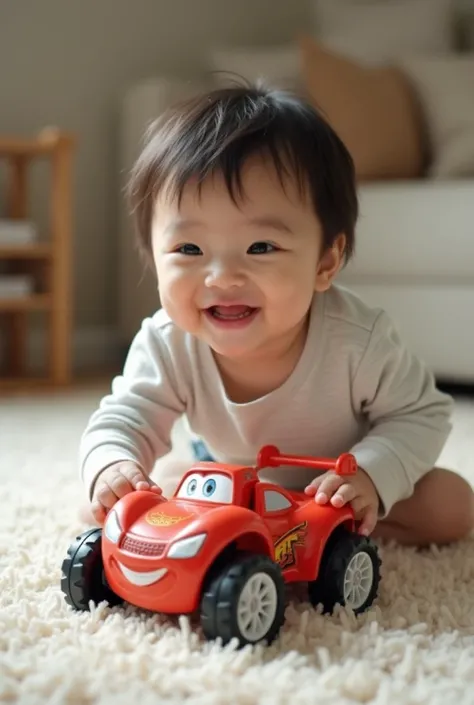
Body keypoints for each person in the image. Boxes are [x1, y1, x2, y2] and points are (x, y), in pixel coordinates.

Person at [79, 83, 473, 547]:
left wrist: (371, 475)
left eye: (260, 247)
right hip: (229, 483)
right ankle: (256, 523)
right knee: (103, 501)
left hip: (334, 486)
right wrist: (113, 465)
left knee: (452, 505)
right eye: (189, 249)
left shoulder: (358, 339)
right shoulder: (168, 342)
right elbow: (126, 418)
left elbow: (421, 413)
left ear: (325, 263)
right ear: (153, 257)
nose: (222, 277)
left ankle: (327, 528)